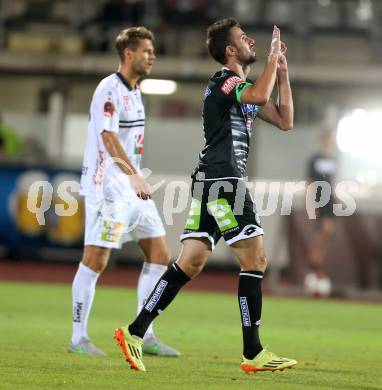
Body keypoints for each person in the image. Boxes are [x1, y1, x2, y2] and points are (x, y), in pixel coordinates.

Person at [114, 18, 297, 373]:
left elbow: (285, 120)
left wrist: (284, 73)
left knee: (191, 261)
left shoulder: (240, 87)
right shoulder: (224, 80)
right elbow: (260, 95)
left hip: (209, 180)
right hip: (223, 180)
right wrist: (273, 59)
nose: (251, 43)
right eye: (244, 39)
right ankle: (253, 352)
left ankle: (134, 331)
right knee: (255, 261)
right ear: (231, 50)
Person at [68, 27, 179, 357]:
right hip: (108, 189)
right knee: (96, 260)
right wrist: (133, 175)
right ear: (128, 54)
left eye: (153, 50)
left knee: (160, 255)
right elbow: (108, 138)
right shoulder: (108, 89)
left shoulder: (135, 91)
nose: (152, 56)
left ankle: (144, 334)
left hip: (131, 188)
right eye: (146, 50)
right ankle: (78, 338)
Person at [304, 129, 337, 297]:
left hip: (329, 199)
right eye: (327, 140)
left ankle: (317, 265)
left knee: (326, 233)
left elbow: (331, 182)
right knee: (322, 231)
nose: (329, 144)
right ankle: (314, 266)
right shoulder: (315, 159)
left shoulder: (333, 160)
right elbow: (310, 181)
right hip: (319, 198)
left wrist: (336, 198)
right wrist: (311, 202)